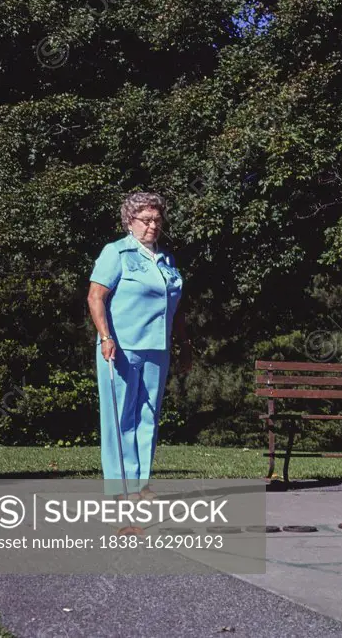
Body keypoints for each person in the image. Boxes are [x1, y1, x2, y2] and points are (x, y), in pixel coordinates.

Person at [86, 192, 191, 499]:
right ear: (129, 221)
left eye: (157, 220)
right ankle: (118, 486)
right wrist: (106, 336)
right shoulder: (116, 253)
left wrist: (185, 344)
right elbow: (96, 297)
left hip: (157, 348)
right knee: (120, 416)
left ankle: (140, 483)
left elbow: (177, 306)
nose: (152, 226)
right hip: (121, 347)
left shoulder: (166, 259)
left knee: (147, 416)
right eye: (146, 220)